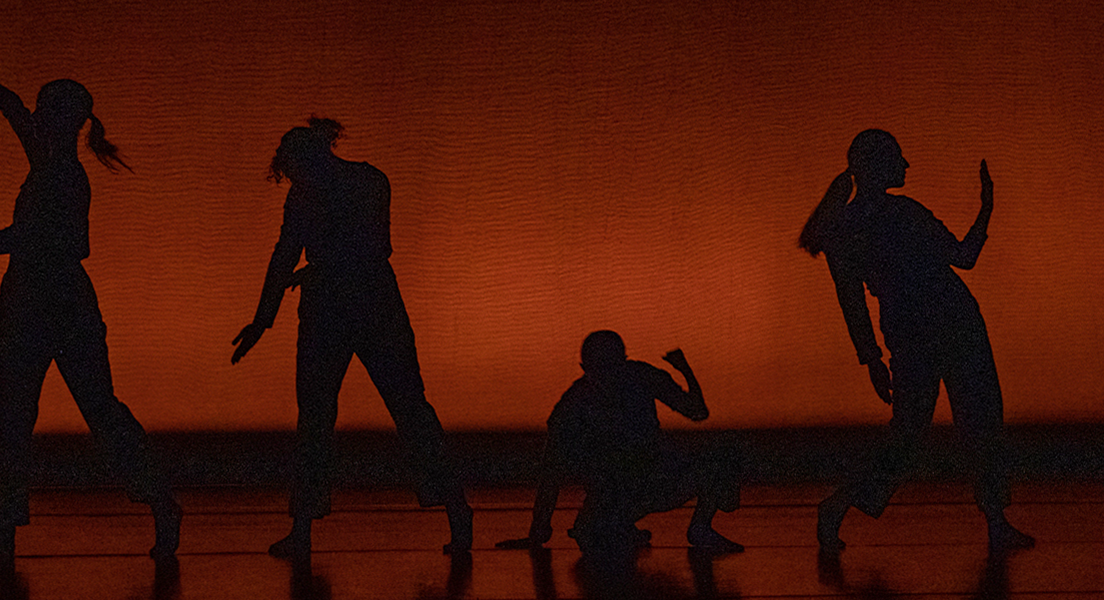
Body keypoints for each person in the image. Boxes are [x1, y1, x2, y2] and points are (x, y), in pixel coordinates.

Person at [0, 65, 180, 561]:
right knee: (21, 416)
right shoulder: (47, 161)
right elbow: (11, 108)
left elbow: (33, 240)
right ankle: (7, 532)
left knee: (91, 411)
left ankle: (159, 500)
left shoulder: (63, 176)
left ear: (63, 121)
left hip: (56, 302)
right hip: (32, 300)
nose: (34, 116)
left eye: (44, 110)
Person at [230, 118, 471, 558]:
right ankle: (457, 511)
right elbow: (370, 247)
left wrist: (265, 318)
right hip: (374, 300)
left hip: (333, 307)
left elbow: (291, 251)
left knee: (320, 419)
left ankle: (303, 530)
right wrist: (266, 316)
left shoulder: (309, 194)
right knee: (408, 407)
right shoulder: (369, 180)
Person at [798, 129, 1034, 552]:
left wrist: (870, 357)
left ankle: (838, 506)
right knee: (980, 422)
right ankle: (995, 521)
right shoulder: (904, 213)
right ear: (877, 166)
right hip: (955, 322)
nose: (906, 166)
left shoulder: (843, 229)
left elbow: (850, 300)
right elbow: (965, 257)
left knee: (907, 432)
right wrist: (986, 207)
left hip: (907, 332)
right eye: (898, 159)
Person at [492, 332, 742, 554]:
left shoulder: (632, 380)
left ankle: (691, 527)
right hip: (620, 495)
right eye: (602, 368)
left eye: (612, 366)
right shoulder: (578, 402)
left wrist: (539, 531)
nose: (609, 377)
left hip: (651, 482)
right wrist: (685, 369)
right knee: (599, 539)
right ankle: (625, 528)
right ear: (586, 368)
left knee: (722, 455)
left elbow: (697, 412)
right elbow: (551, 470)